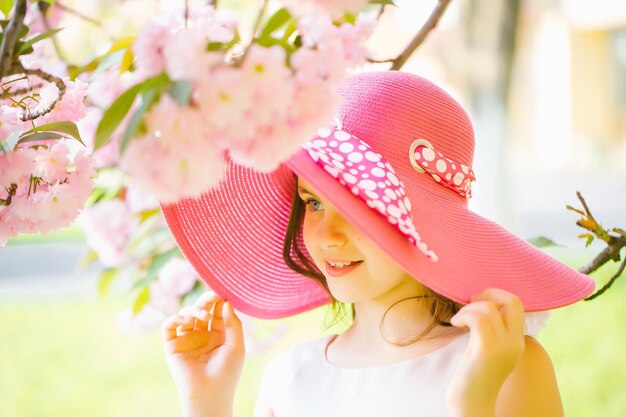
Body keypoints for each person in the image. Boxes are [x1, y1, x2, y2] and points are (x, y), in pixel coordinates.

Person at [158, 71, 595, 417]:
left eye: (356, 209)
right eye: (312, 203)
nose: (326, 235)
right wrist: (207, 404)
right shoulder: (291, 376)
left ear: (428, 224)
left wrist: (474, 403)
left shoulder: (507, 367)